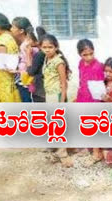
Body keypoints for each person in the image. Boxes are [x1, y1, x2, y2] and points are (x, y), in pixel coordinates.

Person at [40, 34, 72, 167]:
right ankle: (54, 146)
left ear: (56, 47)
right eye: (44, 47)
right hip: (49, 94)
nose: (47, 50)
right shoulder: (46, 59)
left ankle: (63, 152)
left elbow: (64, 83)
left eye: (50, 47)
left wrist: (62, 101)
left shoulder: (59, 62)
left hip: (57, 95)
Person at [76, 39, 105, 164]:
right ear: (79, 54)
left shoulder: (98, 66)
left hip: (94, 99)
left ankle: (96, 153)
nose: (88, 57)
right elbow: (81, 80)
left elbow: (100, 86)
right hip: (82, 97)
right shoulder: (81, 63)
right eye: (85, 55)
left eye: (91, 54)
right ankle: (88, 147)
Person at [0, 13, 21, 102]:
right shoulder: (11, 38)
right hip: (11, 81)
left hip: (3, 82)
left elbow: (1, 64)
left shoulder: (1, 41)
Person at [11, 16, 37, 102]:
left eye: (13, 27)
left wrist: (17, 71)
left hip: (26, 82)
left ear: (21, 31)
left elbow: (30, 65)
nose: (11, 29)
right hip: (23, 80)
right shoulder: (24, 43)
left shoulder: (26, 45)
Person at [24, 26, 47, 102]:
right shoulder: (45, 51)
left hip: (40, 90)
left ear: (37, 41)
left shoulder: (40, 54)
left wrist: (28, 55)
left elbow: (30, 72)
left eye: (28, 39)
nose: (26, 42)